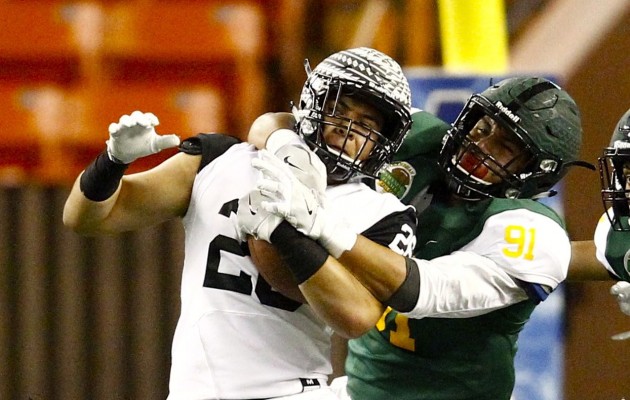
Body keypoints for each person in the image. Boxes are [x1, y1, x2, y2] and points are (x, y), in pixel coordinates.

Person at [62, 47, 417, 399]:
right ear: (312, 105)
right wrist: (111, 162)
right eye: (337, 111)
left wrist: (282, 232)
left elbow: (356, 316)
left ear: (385, 142)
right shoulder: (221, 159)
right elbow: (88, 217)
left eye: (366, 125)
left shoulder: (382, 212)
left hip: (293, 392)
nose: (346, 130)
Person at [240, 76, 592, 399]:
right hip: (361, 388)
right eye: (483, 126)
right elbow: (273, 123)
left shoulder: (531, 232)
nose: (480, 146)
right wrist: (291, 152)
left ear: (536, 174)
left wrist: (322, 226)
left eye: (504, 146)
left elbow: (419, 291)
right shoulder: (419, 136)